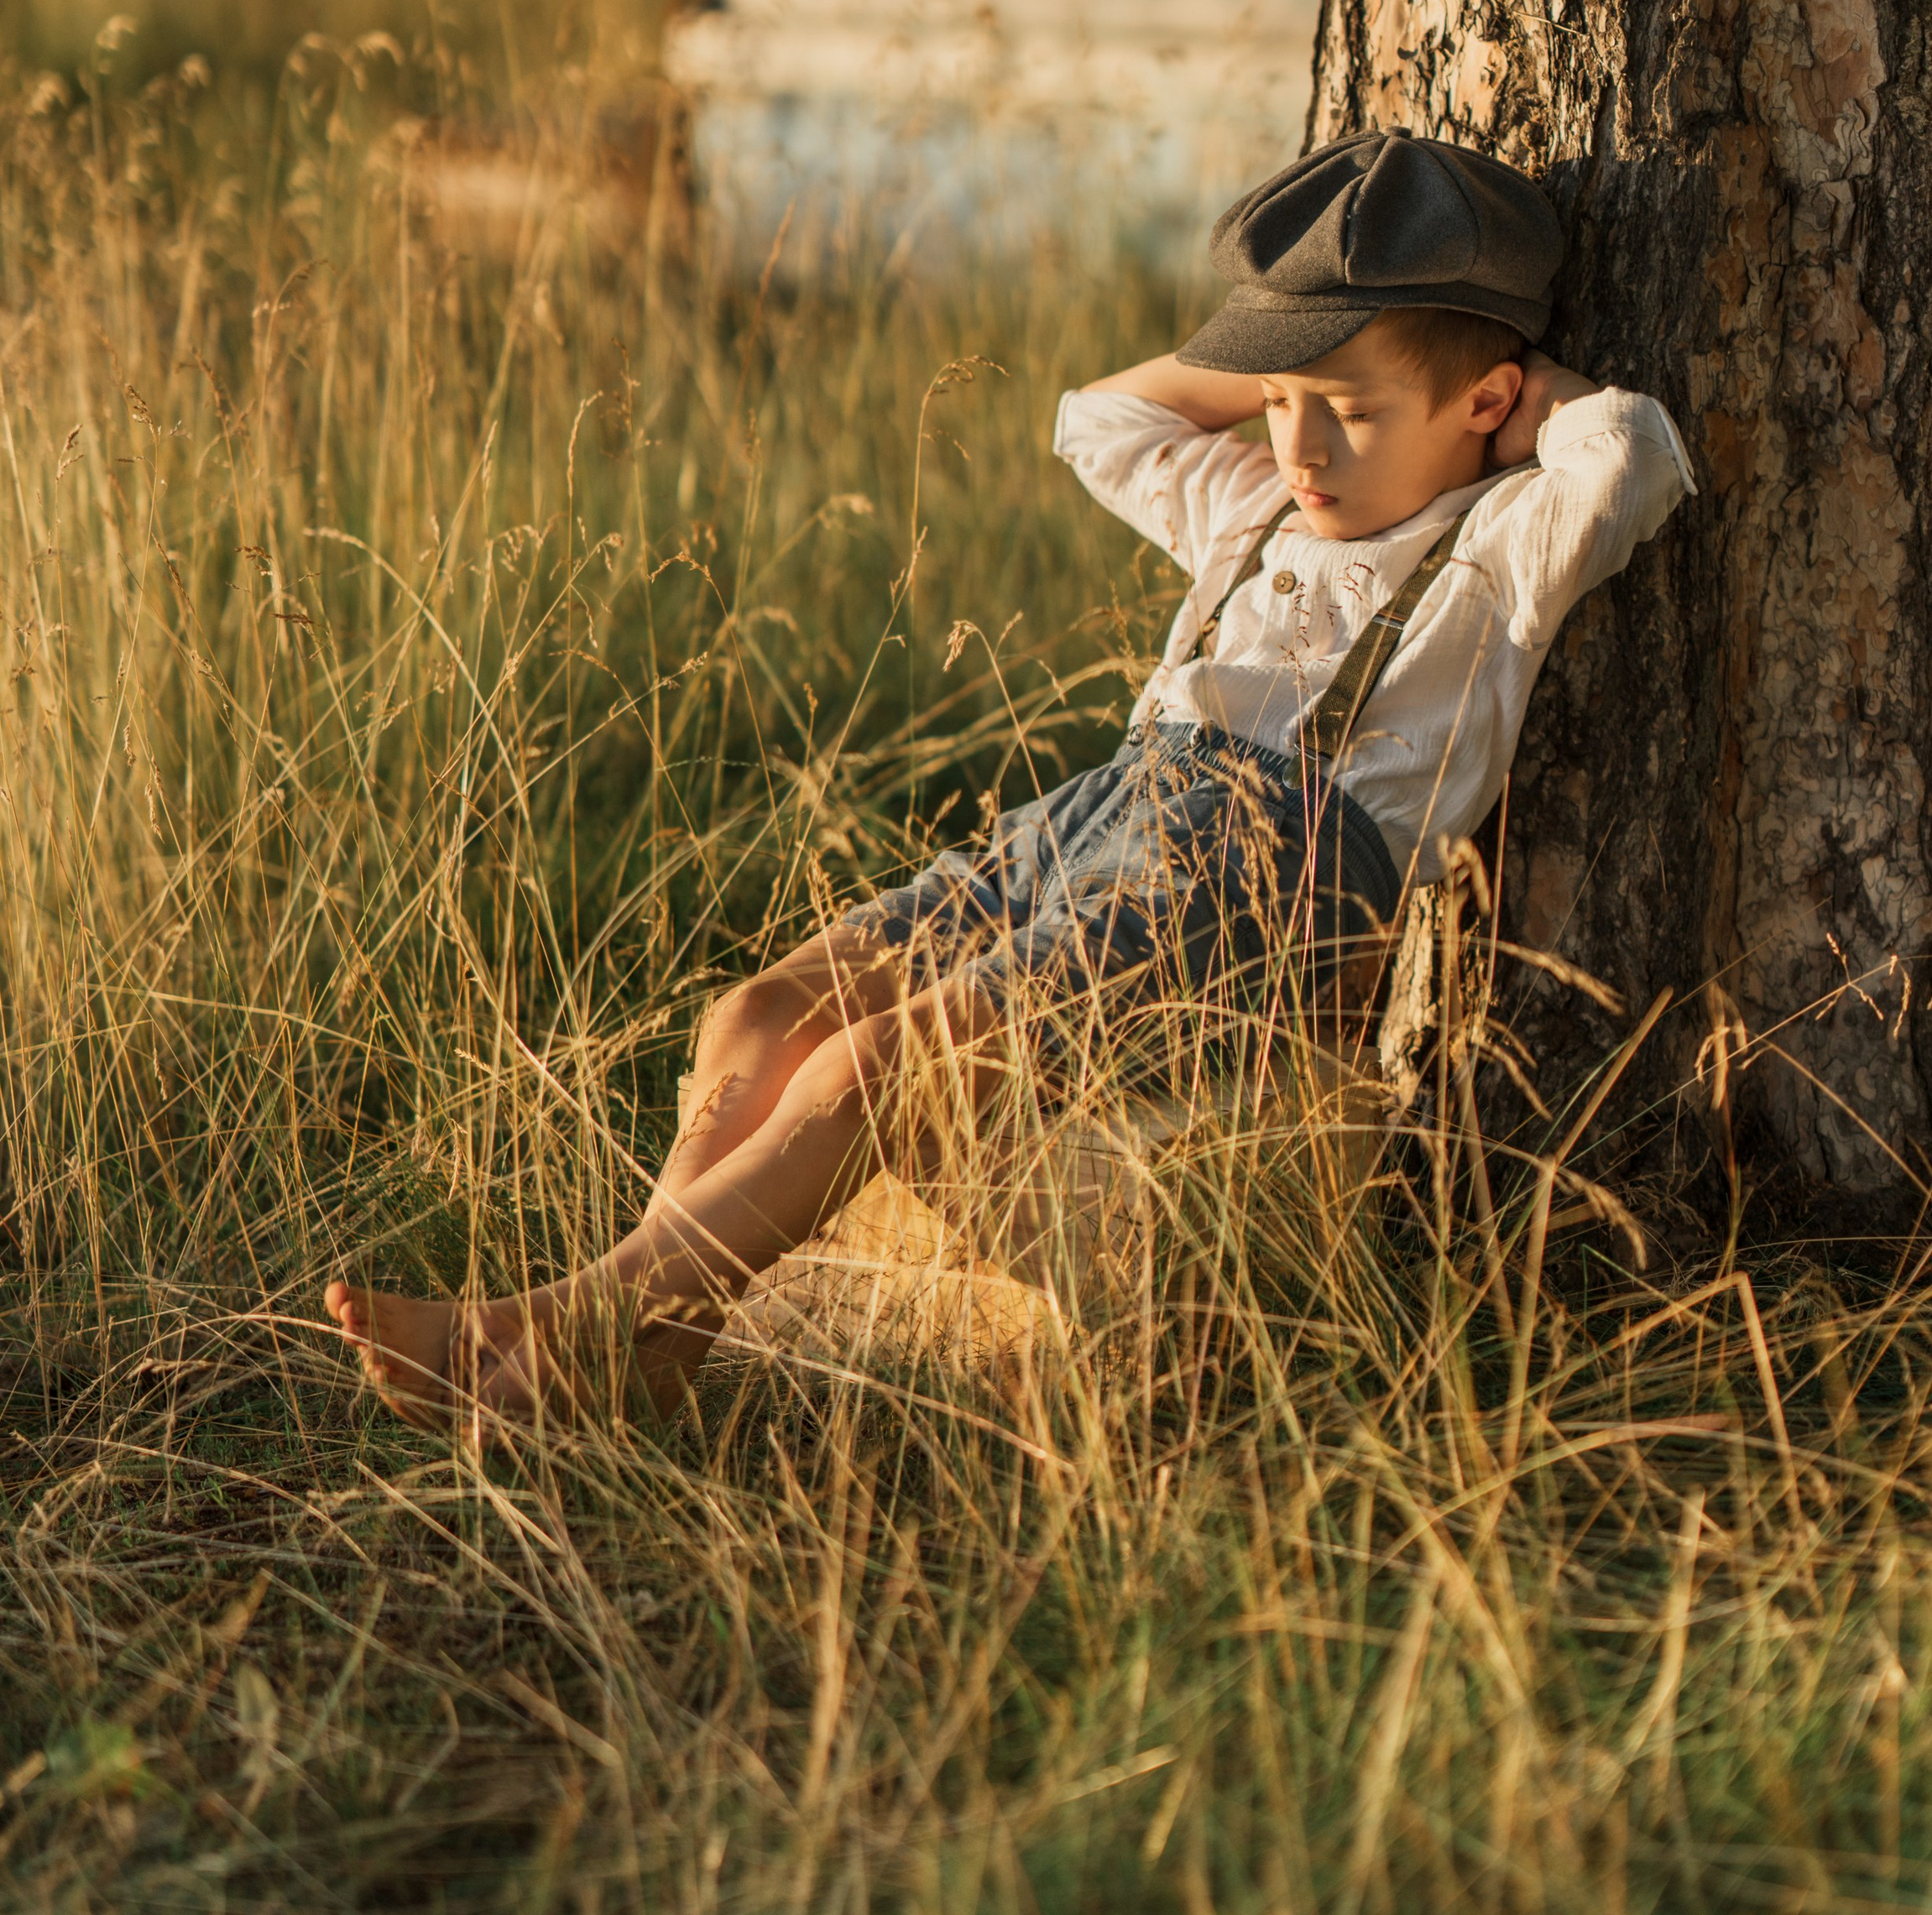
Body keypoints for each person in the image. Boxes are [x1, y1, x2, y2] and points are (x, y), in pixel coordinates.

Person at [325, 132, 1694, 1427]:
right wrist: (1297, 349)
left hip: (1274, 866)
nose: (1304, 451)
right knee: (763, 1009)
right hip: (1107, 814)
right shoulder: (1255, 503)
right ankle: (663, 1342)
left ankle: (570, 1325)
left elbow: (1630, 448)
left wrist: (1511, 406)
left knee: (890, 1061)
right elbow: (1101, 419)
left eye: (1347, 412)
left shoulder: (1503, 541)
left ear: (1494, 402)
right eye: (1279, 406)